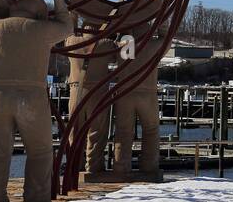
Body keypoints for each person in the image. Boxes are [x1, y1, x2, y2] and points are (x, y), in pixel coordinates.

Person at [0, 0, 73, 202]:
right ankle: (37, 200)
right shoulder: (40, 29)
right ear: (39, 12)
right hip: (31, 96)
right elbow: (67, 28)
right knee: (40, 151)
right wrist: (60, 0)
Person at [64, 18, 115, 176]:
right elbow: (122, 55)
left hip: (75, 91)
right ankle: (93, 166)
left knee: (74, 131)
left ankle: (74, 165)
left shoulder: (71, 41)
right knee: (96, 131)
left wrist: (72, 16)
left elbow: (66, 29)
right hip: (98, 91)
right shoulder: (105, 43)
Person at [111, 29, 161, 177]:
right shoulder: (153, 45)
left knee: (123, 132)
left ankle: (120, 166)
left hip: (124, 93)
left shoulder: (121, 44)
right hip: (147, 92)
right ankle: (149, 167)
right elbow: (167, 37)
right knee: (151, 130)